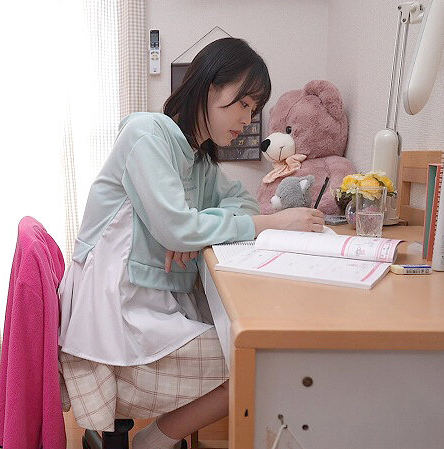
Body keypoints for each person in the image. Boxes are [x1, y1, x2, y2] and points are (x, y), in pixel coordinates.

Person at [57, 37, 324, 448]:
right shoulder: (148, 135)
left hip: (146, 304)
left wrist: (196, 228)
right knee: (258, 365)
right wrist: (263, 224)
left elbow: (240, 202)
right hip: (115, 316)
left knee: (253, 351)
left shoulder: (197, 159)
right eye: (243, 103)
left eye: (253, 108)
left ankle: (154, 439)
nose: (247, 118)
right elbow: (179, 229)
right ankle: (154, 442)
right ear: (209, 86)